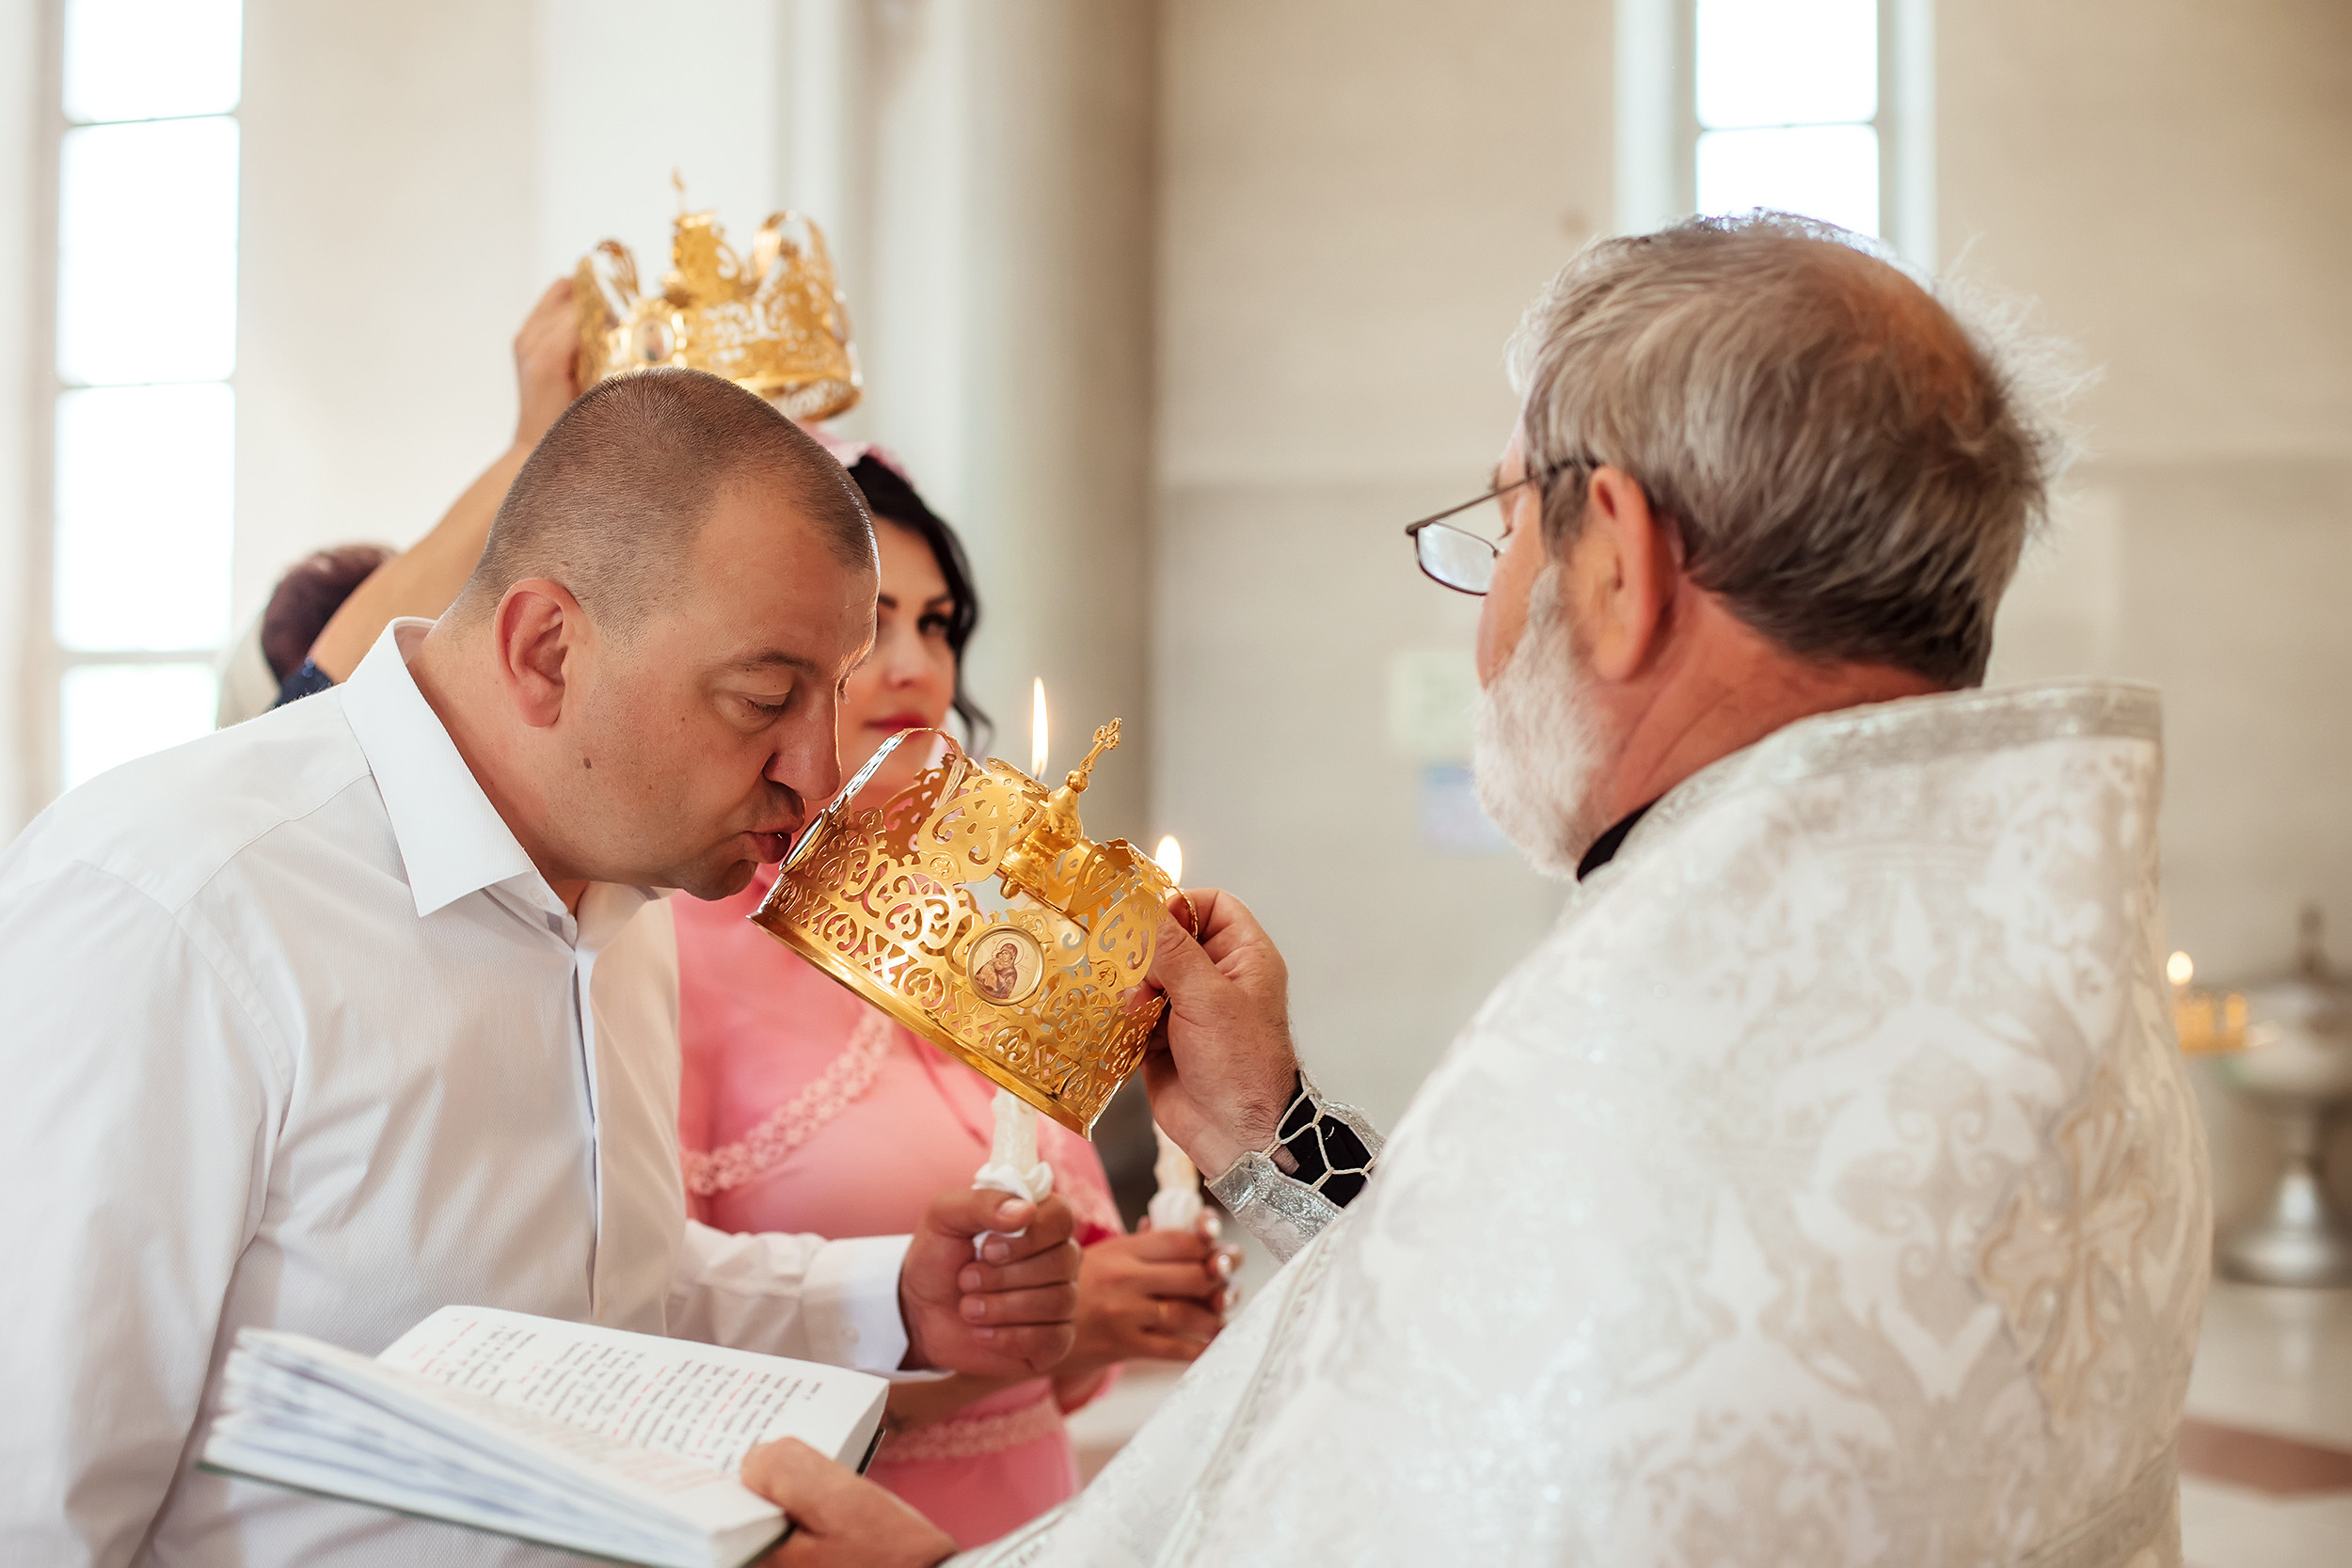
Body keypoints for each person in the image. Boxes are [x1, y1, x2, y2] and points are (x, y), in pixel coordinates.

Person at [731, 214, 2213, 1567]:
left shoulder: (1652, 1031)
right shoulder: (2013, 955)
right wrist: (1276, 1137)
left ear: (1620, 562)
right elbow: (1500, 1357)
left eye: (1503, 531)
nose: (1488, 619)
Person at [0, 370, 1086, 1566]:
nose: (816, 775)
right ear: (548, 646)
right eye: (764, 699)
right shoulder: (182, 906)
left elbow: (599, 1294)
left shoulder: (628, 897)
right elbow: (37, 1500)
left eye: (827, 700)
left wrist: (890, 1300)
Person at [674, 445, 1234, 1551]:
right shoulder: (672, 944)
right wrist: (1039, 1336)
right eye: (871, 621)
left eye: (936, 624)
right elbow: (651, 1357)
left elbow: (1058, 1365)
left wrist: (1135, 1296)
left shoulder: (990, 926)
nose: (914, 663)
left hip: (1032, 1523)